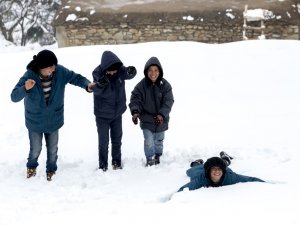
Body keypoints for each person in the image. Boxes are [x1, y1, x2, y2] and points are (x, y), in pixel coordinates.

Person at [11, 49, 95, 181]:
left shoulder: (60, 72)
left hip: (54, 119)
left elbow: (75, 77)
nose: (53, 69)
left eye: (54, 66)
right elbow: (14, 96)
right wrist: (25, 88)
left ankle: (51, 170)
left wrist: (87, 85)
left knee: (52, 150)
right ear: (41, 68)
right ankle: (31, 167)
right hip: (35, 121)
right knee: (35, 149)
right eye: (50, 67)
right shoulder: (29, 76)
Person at [92, 50, 137, 171]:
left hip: (117, 114)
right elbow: (95, 89)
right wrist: (100, 84)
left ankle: (116, 162)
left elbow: (128, 74)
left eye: (114, 70)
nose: (112, 73)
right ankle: (103, 165)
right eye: (110, 70)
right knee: (103, 142)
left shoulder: (119, 70)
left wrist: (131, 71)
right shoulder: (97, 73)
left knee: (117, 139)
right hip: (102, 115)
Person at [129, 56, 174, 166]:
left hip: (161, 119)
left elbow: (168, 101)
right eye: (150, 70)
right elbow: (135, 99)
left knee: (159, 141)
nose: (153, 73)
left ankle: (158, 155)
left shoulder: (165, 85)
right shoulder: (141, 86)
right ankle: (150, 157)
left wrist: (162, 114)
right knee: (148, 141)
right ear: (146, 71)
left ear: (160, 71)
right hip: (147, 119)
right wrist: (135, 112)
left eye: (156, 70)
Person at [178, 151, 264, 191]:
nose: (217, 172)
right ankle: (197, 162)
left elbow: (250, 179)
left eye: (219, 169)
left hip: (225, 168)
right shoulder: (201, 178)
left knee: (224, 163)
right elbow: (184, 189)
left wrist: (266, 185)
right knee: (191, 171)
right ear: (209, 171)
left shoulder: (231, 177)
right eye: (214, 169)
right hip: (200, 171)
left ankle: (225, 157)